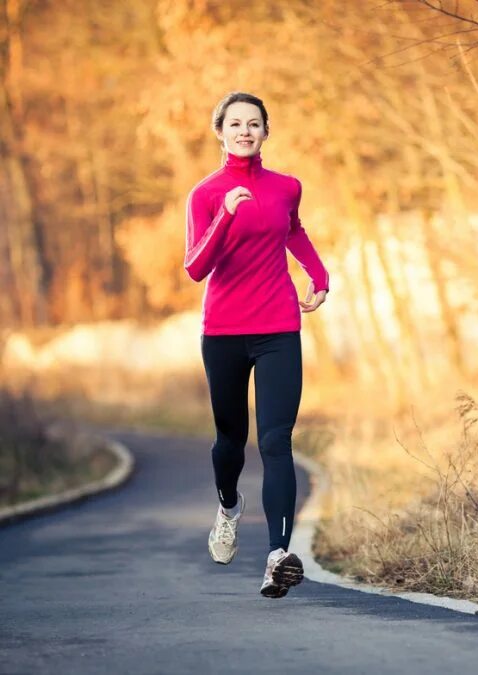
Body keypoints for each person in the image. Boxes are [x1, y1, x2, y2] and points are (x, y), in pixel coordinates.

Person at [184, 91, 329, 598]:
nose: (245, 131)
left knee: (275, 441)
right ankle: (228, 508)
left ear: (266, 132)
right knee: (230, 443)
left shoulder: (287, 187)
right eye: (236, 124)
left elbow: (294, 230)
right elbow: (196, 266)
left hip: (277, 328)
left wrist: (319, 272)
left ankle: (277, 556)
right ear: (220, 132)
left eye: (255, 123)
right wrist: (225, 215)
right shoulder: (205, 195)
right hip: (223, 332)